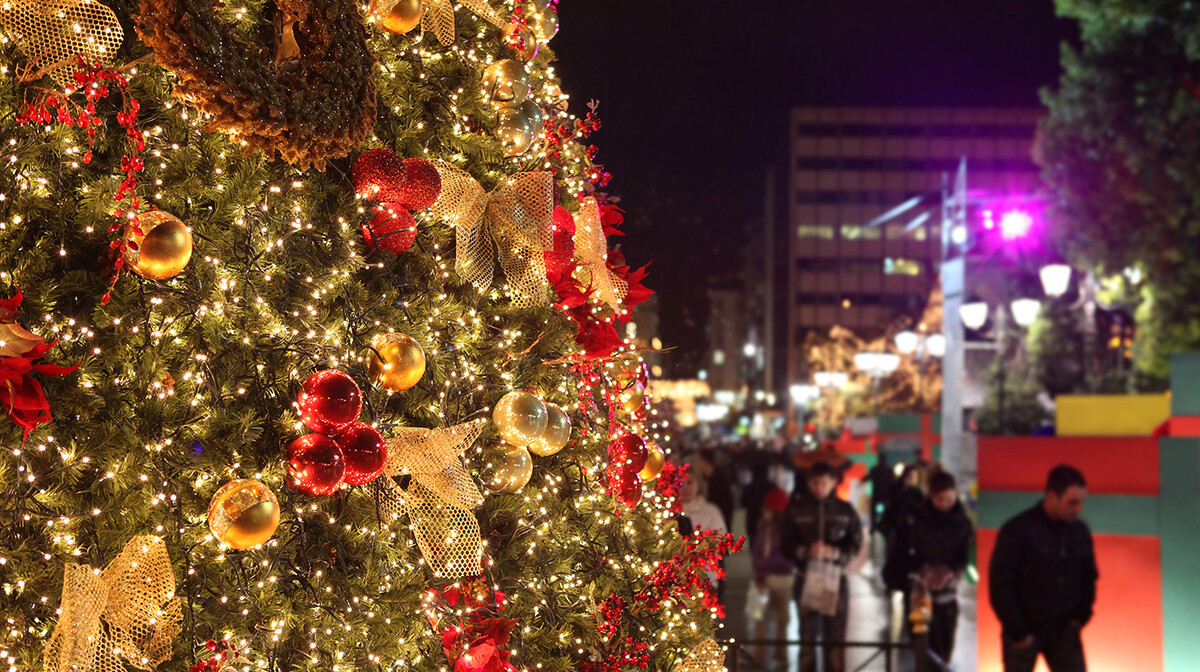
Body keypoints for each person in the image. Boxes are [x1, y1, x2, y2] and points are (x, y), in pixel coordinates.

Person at [989, 465, 1097, 672]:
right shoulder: (1017, 531)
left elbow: (1088, 578)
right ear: (1052, 497)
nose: (1078, 509)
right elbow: (1001, 585)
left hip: (1064, 630)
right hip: (1025, 630)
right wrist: (1019, 633)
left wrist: (1078, 619)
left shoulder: (1079, 532)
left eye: (1081, 502)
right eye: (1072, 502)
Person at [782, 461, 864, 672]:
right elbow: (785, 544)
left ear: (833, 483)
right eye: (815, 483)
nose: (819, 488)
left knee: (835, 643)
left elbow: (855, 542)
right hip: (805, 578)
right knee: (807, 640)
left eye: (824, 483)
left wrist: (835, 553)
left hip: (835, 580)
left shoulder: (845, 510)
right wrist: (805, 552)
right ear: (809, 483)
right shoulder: (796, 509)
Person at [891, 471, 973, 663]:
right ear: (930, 495)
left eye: (949, 499)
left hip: (948, 594)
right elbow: (903, 552)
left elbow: (965, 556)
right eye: (939, 499)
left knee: (944, 649)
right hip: (921, 593)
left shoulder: (962, 523)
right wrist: (922, 569)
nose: (944, 504)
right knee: (922, 649)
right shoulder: (915, 519)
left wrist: (949, 570)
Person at [751, 488, 794, 670]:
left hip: (782, 581)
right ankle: (756, 656)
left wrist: (762, 564)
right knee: (758, 619)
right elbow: (757, 551)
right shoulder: (763, 527)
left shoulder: (787, 530)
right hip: (761, 580)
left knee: (782, 621)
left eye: (768, 509)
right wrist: (759, 570)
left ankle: (780, 656)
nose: (764, 512)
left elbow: (784, 557)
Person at [697, 449, 736, 531]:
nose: (698, 463)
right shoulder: (707, 477)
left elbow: (724, 502)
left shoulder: (719, 478)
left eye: (699, 460)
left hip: (721, 518)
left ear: (705, 461)